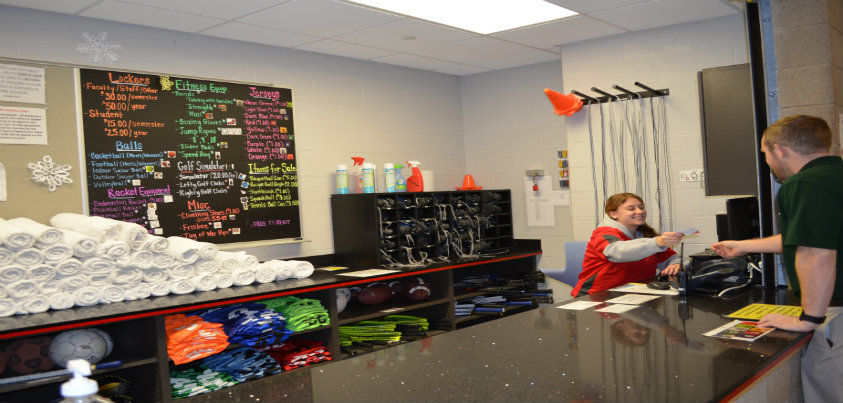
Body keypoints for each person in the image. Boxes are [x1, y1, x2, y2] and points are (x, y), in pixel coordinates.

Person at [711, 115, 843, 403]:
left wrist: (809, 318)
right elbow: (810, 237)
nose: (768, 162)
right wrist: (742, 246)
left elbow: (816, 253)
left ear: (780, 149)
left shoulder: (804, 183)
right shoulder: (834, 177)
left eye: (765, 153)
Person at [571, 193, 683, 296]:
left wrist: (676, 264)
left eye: (641, 207)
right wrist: (657, 242)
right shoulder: (603, 234)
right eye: (631, 209)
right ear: (613, 214)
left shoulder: (644, 236)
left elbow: (673, 258)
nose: (640, 211)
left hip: (633, 295)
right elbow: (619, 252)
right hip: (597, 297)